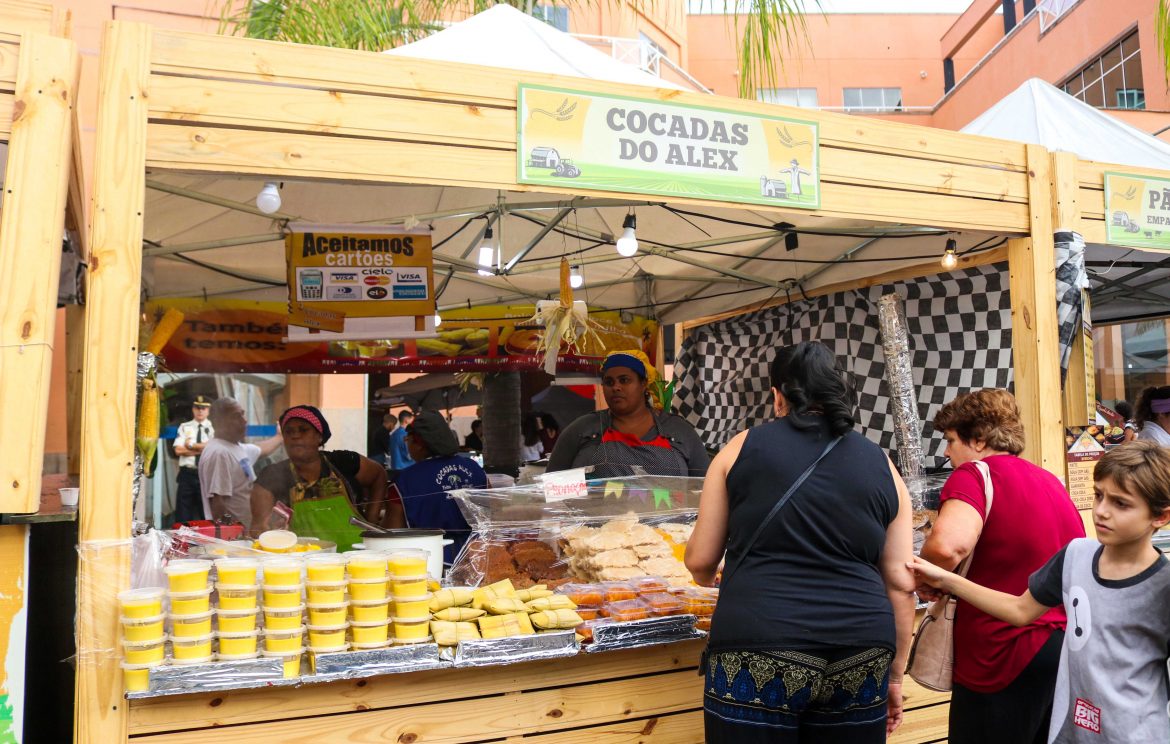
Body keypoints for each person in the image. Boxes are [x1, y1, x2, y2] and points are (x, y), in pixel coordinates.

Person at [685, 341, 916, 742]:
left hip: (758, 646)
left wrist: (712, 576)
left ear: (778, 396)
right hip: (861, 651)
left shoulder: (740, 447)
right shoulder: (883, 464)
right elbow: (900, 582)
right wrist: (895, 677)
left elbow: (701, 559)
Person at [910, 441, 1170, 744]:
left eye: (1121, 504)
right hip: (1073, 732)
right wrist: (945, 579)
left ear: (1160, 516)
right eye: (1099, 495)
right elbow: (1020, 610)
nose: (1102, 511)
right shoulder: (1075, 556)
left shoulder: (1163, 586)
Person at [917, 388, 1085, 744]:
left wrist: (930, 576)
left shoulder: (974, 475)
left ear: (978, 440)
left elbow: (949, 546)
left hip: (999, 652)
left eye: (950, 441)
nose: (947, 453)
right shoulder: (1050, 482)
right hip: (1059, 648)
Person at [251, 405, 403, 551]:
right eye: (288, 432)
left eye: (303, 430)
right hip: (306, 561)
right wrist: (269, 531)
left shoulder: (344, 462)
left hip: (358, 555)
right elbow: (259, 527)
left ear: (319, 436)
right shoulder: (271, 476)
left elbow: (379, 475)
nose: (295, 436)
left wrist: (370, 520)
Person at [547, 349, 709, 478]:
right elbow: (552, 490)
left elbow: (705, 489)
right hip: (596, 521)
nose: (616, 387)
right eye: (609, 382)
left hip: (672, 521)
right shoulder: (582, 430)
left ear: (644, 384)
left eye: (624, 380)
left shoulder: (679, 431)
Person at [390, 410, 487, 563]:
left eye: (407, 440)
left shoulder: (405, 480)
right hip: (477, 555)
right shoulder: (475, 468)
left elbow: (392, 532)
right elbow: (491, 511)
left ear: (419, 444)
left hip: (430, 560)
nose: (407, 444)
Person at [198, 397, 283, 532]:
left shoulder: (236, 447)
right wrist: (237, 535)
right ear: (219, 422)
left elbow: (261, 449)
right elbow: (218, 505)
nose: (244, 420)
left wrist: (280, 436)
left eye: (243, 414)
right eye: (236, 416)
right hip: (236, 540)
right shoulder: (219, 453)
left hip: (248, 534)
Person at [173, 395, 214, 524]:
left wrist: (191, 445)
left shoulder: (214, 429)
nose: (200, 411)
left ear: (208, 410)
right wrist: (203, 449)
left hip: (206, 474)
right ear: (193, 409)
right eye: (197, 408)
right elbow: (178, 450)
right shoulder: (185, 427)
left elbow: (214, 450)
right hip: (187, 474)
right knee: (183, 513)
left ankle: (208, 542)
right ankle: (182, 542)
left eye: (204, 408)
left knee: (206, 513)